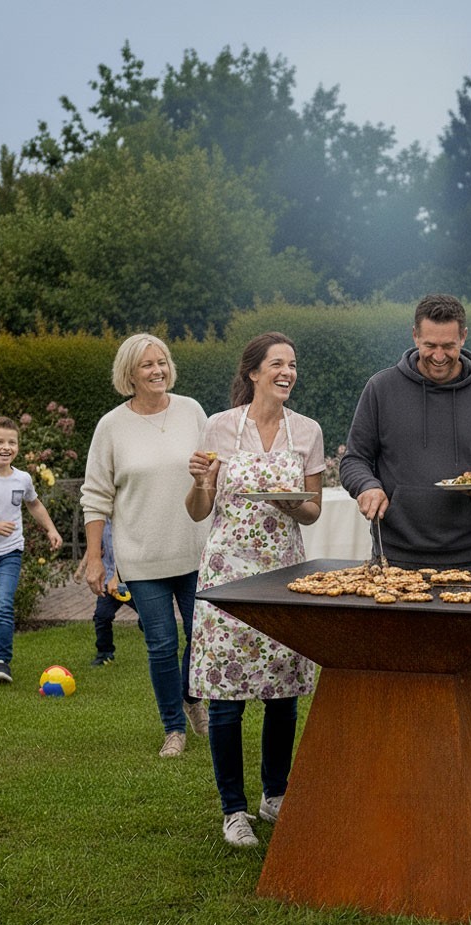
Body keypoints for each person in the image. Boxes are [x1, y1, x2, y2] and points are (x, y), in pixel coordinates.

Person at [186, 332, 324, 848]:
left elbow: (312, 509)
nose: (287, 372)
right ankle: (233, 809)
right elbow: (200, 509)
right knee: (226, 697)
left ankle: (275, 795)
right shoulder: (219, 427)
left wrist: (290, 504)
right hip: (227, 571)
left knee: (282, 692)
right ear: (253, 373)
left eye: (292, 364)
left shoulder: (306, 431)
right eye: (278, 364)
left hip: (284, 568)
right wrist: (200, 480)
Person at [81, 333, 210, 758]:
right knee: (160, 643)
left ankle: (193, 697)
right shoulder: (111, 426)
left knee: (201, 636)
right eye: (147, 365)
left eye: (162, 362)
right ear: (129, 374)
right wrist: (95, 557)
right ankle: (174, 728)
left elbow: (213, 472)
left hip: (194, 550)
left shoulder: (192, 411)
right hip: (141, 555)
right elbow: (96, 495)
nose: (158, 371)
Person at [338, 293, 471, 568]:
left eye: (448, 346)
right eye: (430, 345)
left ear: (464, 337)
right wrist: (367, 486)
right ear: (414, 336)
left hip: (469, 555)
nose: (438, 356)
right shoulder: (381, 388)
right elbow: (354, 460)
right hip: (395, 554)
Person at [0, 415, 63, 683]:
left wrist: (51, 529)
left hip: (10, 552)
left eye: (12, 442)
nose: (7, 447)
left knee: (3, 605)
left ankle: (2, 661)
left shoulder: (23, 479)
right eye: (0, 442)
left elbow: (34, 505)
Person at [74, 519, 141, 667]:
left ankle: (161, 648)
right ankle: (104, 654)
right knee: (102, 617)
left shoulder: (126, 519)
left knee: (147, 617)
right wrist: (81, 568)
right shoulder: (99, 522)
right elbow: (94, 548)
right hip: (108, 580)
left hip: (130, 580)